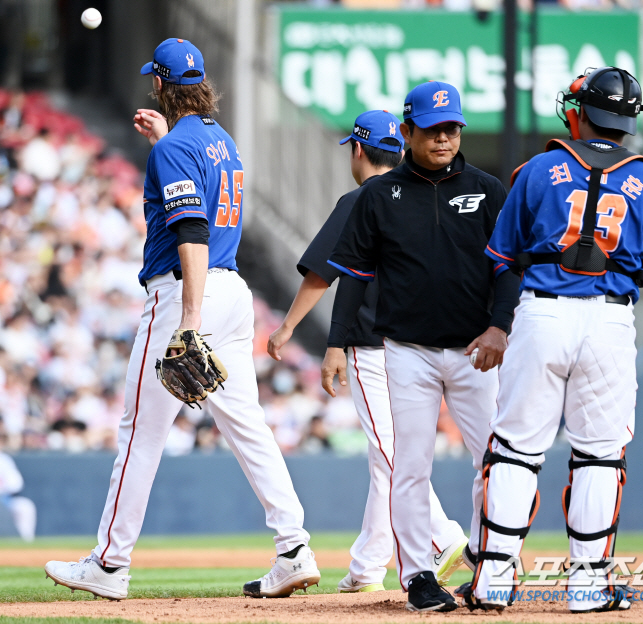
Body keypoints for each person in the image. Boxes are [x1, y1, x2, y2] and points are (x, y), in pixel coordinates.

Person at [44, 38, 320, 601]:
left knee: (140, 432)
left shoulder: (173, 150)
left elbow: (191, 231)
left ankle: (109, 563)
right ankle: (294, 548)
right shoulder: (221, 142)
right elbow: (202, 203)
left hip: (185, 294)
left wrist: (188, 319)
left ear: (162, 86)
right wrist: (167, 144)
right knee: (247, 426)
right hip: (234, 293)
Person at [457, 67, 643, 614]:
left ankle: (493, 580)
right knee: (601, 455)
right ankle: (589, 584)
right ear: (629, 121)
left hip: (541, 313)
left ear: (579, 111)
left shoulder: (538, 170)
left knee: (515, 448)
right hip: (611, 320)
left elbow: (504, 257)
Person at [327, 81, 521, 612]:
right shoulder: (377, 195)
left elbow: (509, 268)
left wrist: (500, 326)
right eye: (433, 129)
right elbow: (355, 276)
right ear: (408, 130)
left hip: (474, 350)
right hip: (407, 350)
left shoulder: (487, 189)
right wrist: (335, 343)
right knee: (410, 465)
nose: (444, 137)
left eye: (452, 128)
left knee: (494, 461)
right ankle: (418, 577)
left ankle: (493, 563)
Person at [267, 110, 469, 595]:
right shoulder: (424, 196)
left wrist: (288, 325)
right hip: (421, 344)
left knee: (391, 454)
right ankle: (366, 568)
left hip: (373, 347)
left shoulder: (362, 199)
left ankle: (441, 538)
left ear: (357, 150)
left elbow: (321, 273)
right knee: (388, 459)